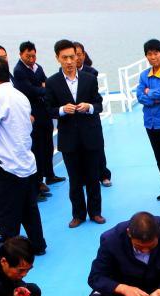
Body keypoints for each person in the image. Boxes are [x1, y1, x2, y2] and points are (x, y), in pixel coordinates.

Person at [0, 57, 47, 254]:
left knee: (7, 213)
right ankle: (38, 245)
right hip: (26, 161)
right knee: (29, 209)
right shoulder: (19, 95)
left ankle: (10, 252)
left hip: (8, 164)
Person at [45, 39, 106, 229]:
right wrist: (63, 110)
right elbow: (49, 109)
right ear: (58, 58)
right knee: (75, 179)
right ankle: (78, 214)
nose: (70, 61)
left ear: (78, 56)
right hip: (69, 138)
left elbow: (99, 104)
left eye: (72, 56)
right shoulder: (52, 82)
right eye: (65, 58)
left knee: (93, 176)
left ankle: (95, 212)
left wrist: (89, 107)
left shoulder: (89, 78)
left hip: (90, 135)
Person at [13, 41, 61, 192]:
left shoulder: (38, 67)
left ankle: (50, 174)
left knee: (48, 144)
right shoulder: (19, 70)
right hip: (32, 113)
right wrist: (43, 89)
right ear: (21, 54)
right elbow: (28, 90)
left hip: (44, 111)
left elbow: (46, 83)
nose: (31, 59)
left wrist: (43, 88)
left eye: (33, 55)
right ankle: (38, 180)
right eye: (28, 56)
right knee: (37, 147)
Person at [137, 39, 160, 201]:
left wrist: (149, 93)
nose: (153, 57)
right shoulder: (144, 75)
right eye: (149, 54)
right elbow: (139, 96)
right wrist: (154, 97)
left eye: (156, 53)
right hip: (150, 123)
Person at [72, 43, 112, 187]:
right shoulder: (64, 75)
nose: (76, 58)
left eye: (79, 54)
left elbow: (95, 98)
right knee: (79, 148)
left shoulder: (91, 73)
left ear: (84, 55)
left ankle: (104, 175)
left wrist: (87, 106)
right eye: (73, 55)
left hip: (90, 116)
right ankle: (84, 177)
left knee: (98, 147)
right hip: (74, 119)